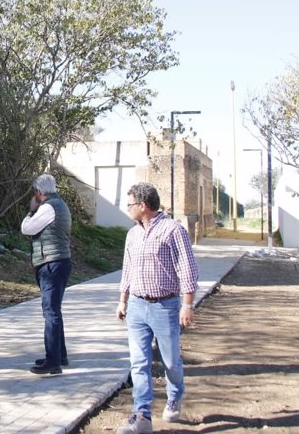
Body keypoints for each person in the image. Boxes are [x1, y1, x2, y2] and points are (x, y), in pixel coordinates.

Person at [115, 182, 199, 434]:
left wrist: (187, 304)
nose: (127, 209)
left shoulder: (173, 230)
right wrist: (123, 300)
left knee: (171, 361)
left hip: (165, 306)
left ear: (143, 206)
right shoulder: (132, 234)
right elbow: (127, 269)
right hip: (138, 307)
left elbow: (188, 269)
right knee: (138, 363)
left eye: (130, 204)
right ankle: (142, 415)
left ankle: (174, 395)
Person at [20, 173, 72, 376]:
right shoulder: (61, 205)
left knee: (50, 312)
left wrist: (30, 212)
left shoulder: (48, 207)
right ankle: (59, 355)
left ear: (39, 192)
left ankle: (53, 362)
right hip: (59, 261)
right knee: (54, 311)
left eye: (35, 192)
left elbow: (27, 229)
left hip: (51, 264)